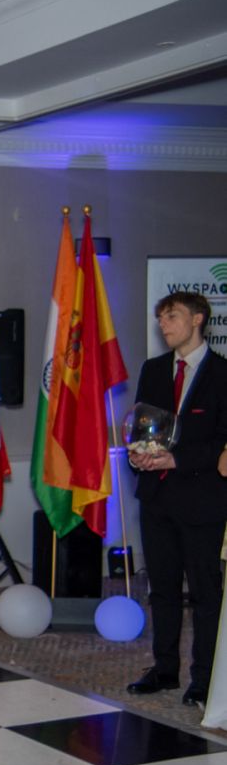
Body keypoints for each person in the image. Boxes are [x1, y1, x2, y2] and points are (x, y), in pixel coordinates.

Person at [127, 291, 227, 707]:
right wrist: (138, 456)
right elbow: (144, 428)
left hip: (203, 500)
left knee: (205, 593)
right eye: (160, 318)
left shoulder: (222, 373)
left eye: (172, 316)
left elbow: (222, 443)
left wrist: (177, 458)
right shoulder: (153, 370)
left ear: (198, 319)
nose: (163, 325)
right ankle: (164, 669)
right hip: (156, 498)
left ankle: (203, 678)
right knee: (162, 589)